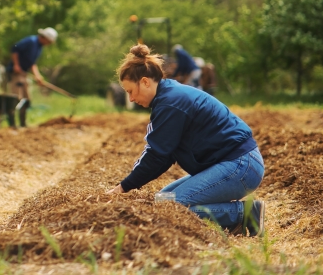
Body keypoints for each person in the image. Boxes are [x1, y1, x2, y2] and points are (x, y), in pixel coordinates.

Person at [107, 44, 265, 237]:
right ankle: (231, 221)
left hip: (241, 165)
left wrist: (123, 187)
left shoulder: (171, 103)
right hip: (236, 164)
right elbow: (162, 154)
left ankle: (245, 214)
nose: (130, 98)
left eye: (131, 91)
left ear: (146, 82)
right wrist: (127, 185)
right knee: (163, 201)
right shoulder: (168, 96)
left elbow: (158, 156)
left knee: (171, 209)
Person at [5, 27, 58, 127]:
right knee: (17, 98)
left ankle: (23, 124)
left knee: (26, 99)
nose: (49, 44)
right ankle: (12, 125)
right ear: (45, 37)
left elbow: (32, 63)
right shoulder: (30, 41)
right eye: (49, 41)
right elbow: (15, 48)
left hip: (24, 73)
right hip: (16, 73)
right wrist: (16, 65)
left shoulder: (39, 47)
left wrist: (38, 76)